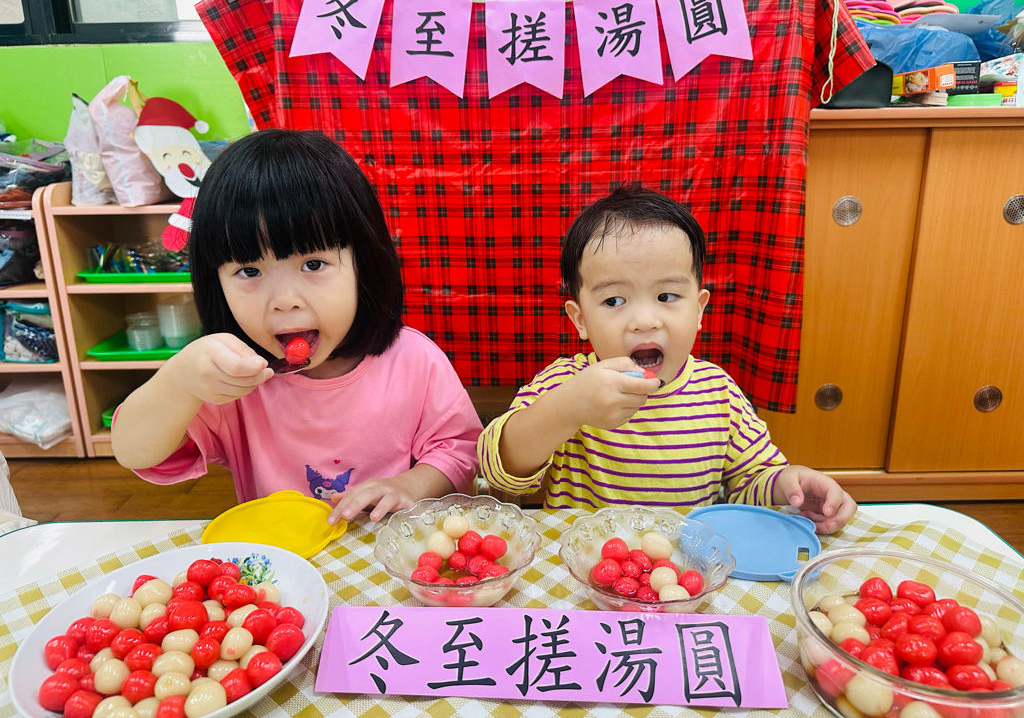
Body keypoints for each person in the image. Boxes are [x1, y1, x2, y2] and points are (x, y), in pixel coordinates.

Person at [112, 130, 481, 523]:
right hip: (280, 557)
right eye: (249, 271)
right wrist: (178, 383)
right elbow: (136, 452)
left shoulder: (414, 361)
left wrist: (409, 486)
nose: (285, 300)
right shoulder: (229, 380)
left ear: (363, 264)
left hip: (388, 551)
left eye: (313, 264)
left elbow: (460, 451)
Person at [479, 184, 856, 534]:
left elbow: (749, 482)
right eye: (614, 300)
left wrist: (788, 485)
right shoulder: (567, 383)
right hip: (585, 565)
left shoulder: (718, 392)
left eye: (666, 296)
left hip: (684, 567)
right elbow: (497, 469)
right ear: (580, 320)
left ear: (699, 309)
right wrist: (568, 409)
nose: (645, 321)